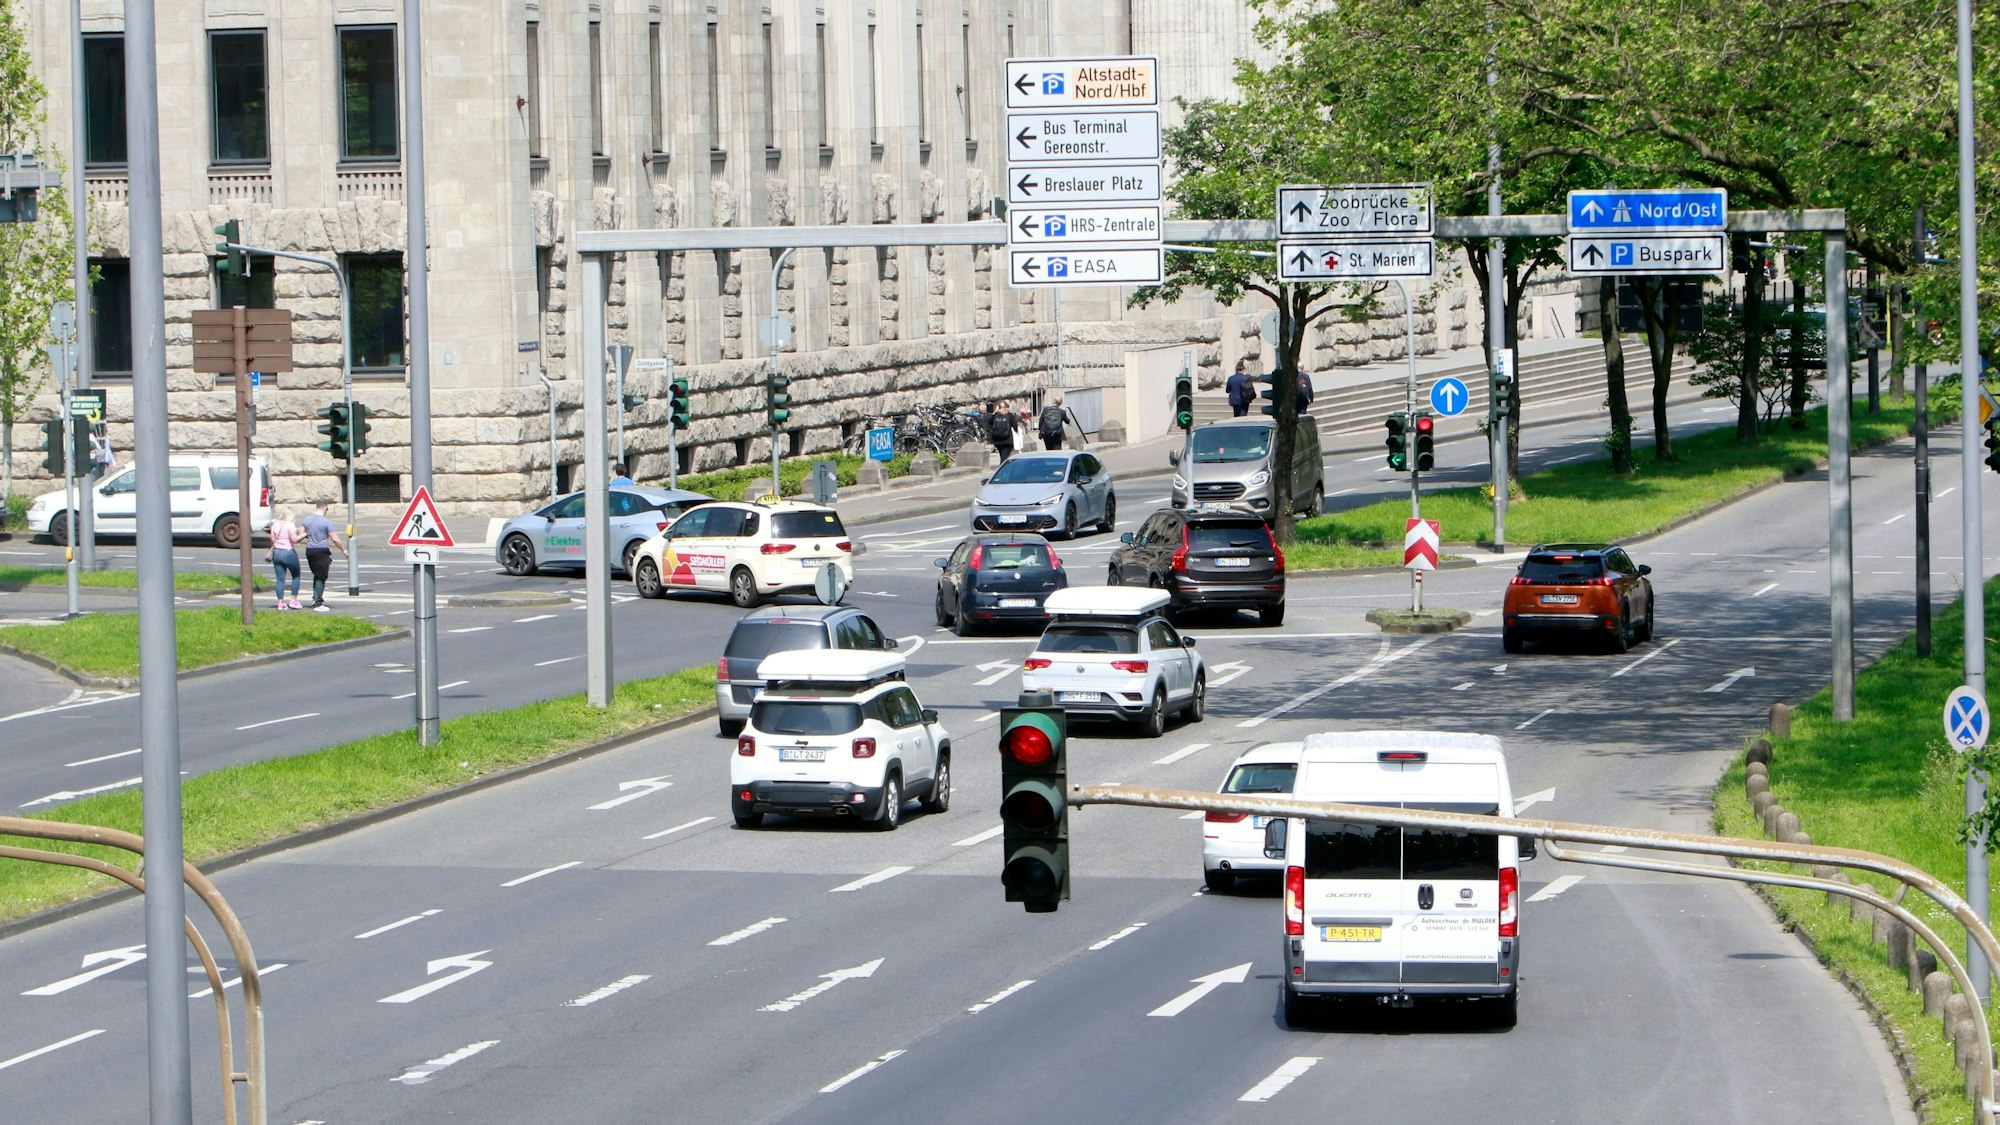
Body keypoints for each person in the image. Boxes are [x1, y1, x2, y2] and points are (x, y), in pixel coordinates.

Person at [299, 499, 348, 612]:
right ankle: (317, 602)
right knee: (321, 576)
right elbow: (335, 539)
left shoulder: (307, 520)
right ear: (325, 508)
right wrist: (343, 549)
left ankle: (315, 597)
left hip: (310, 550)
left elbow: (301, 534)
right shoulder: (326, 522)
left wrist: (310, 534)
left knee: (317, 574)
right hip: (321, 550)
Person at [267, 508, 303, 610]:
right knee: (296, 576)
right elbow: (294, 539)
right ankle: (293, 600)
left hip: (277, 552)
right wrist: (304, 534)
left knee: (280, 579)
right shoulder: (290, 525)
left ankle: (280, 603)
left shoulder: (275, 524)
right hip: (289, 552)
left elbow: (273, 540)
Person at [987, 398, 1016, 463]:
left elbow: (989, 423)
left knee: (1003, 456)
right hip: (1007, 441)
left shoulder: (996, 415)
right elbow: (1015, 426)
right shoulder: (1010, 415)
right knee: (1004, 459)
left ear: (999, 407)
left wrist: (994, 413)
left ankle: (1003, 467)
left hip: (997, 440)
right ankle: (1002, 468)